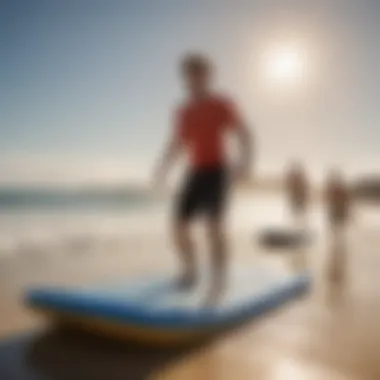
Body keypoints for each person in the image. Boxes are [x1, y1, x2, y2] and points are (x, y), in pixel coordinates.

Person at [153, 53, 253, 305]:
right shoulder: (183, 111)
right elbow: (177, 143)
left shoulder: (222, 104)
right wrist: (163, 166)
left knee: (214, 226)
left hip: (218, 170)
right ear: (185, 79)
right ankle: (190, 271)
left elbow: (244, 133)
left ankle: (219, 280)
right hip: (195, 171)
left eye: (200, 73)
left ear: (208, 76)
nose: (195, 78)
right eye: (190, 74)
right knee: (177, 225)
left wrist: (245, 162)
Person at [324, 169, 351, 283]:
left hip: (338, 213)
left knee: (338, 231)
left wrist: (347, 212)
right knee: (336, 231)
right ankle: (337, 248)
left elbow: (345, 201)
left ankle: (338, 248)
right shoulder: (337, 189)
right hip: (336, 213)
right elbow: (330, 200)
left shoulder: (339, 189)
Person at [286, 161, 310, 227]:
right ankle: (297, 222)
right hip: (297, 200)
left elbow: (303, 191)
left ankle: (299, 222)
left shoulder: (299, 180)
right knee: (297, 212)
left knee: (299, 212)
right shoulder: (295, 180)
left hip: (299, 200)